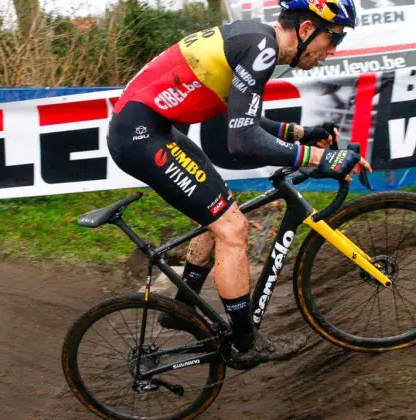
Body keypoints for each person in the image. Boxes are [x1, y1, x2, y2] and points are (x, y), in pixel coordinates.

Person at [107, 0, 372, 369]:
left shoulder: (252, 41)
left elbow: (236, 125)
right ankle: (246, 345)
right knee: (233, 228)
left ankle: (182, 309)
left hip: (151, 131)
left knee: (220, 210)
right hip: (143, 136)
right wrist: (318, 158)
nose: (333, 51)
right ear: (308, 29)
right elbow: (243, 140)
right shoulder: (261, 47)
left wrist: (302, 134)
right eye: (334, 38)